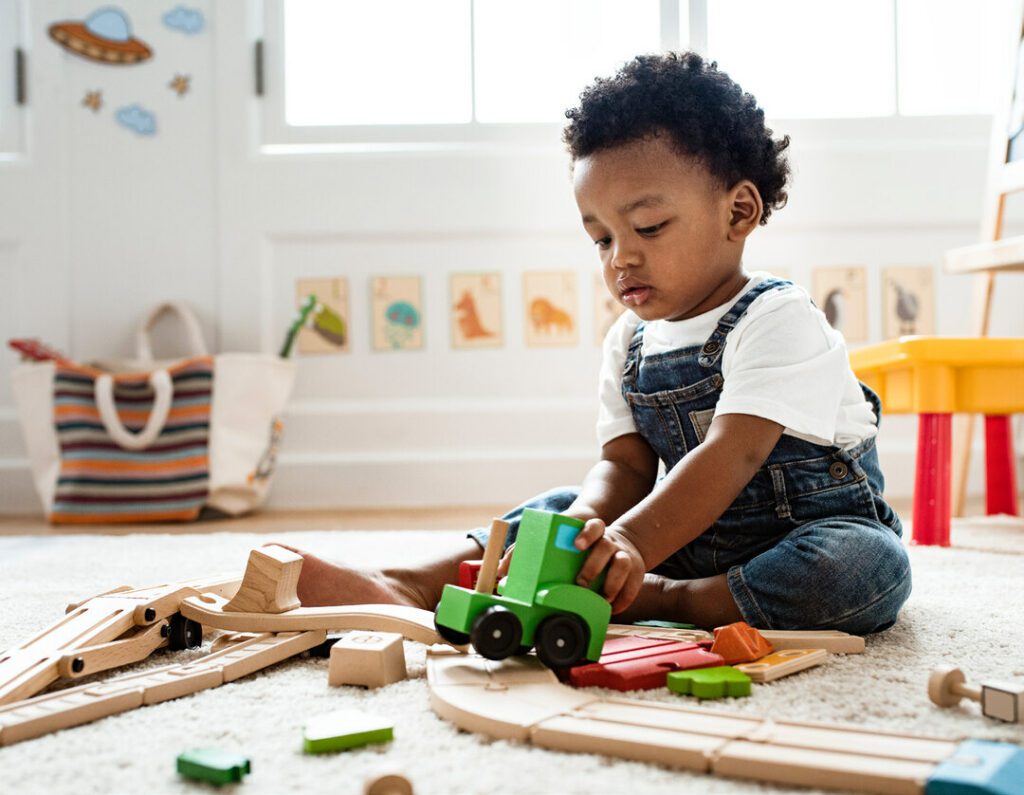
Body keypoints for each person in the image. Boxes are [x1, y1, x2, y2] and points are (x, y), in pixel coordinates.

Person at [284, 52, 911, 635]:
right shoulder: (629, 341)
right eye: (601, 238)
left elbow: (732, 457)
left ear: (738, 212)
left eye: (648, 226)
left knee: (863, 567)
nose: (622, 257)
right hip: (679, 535)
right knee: (556, 509)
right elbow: (626, 468)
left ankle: (668, 601)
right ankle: (411, 585)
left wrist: (634, 545)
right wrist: (585, 527)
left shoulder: (779, 318)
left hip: (800, 534)